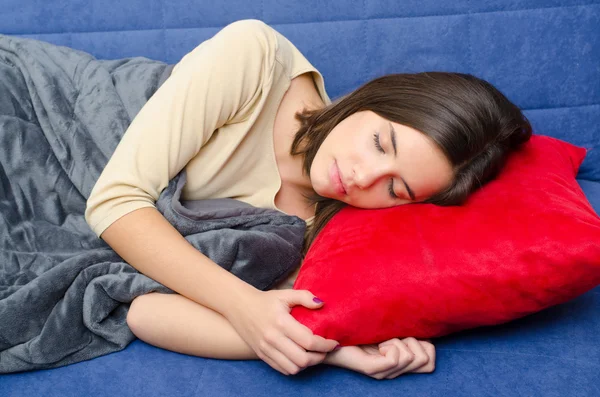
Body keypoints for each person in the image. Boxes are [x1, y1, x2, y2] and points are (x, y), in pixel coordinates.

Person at [84, 19, 532, 380]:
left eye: (395, 189)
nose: (361, 178)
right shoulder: (254, 57)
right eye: (380, 142)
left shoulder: (316, 231)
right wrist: (243, 304)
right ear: (378, 98)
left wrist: (333, 348)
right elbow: (114, 199)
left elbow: (145, 312)